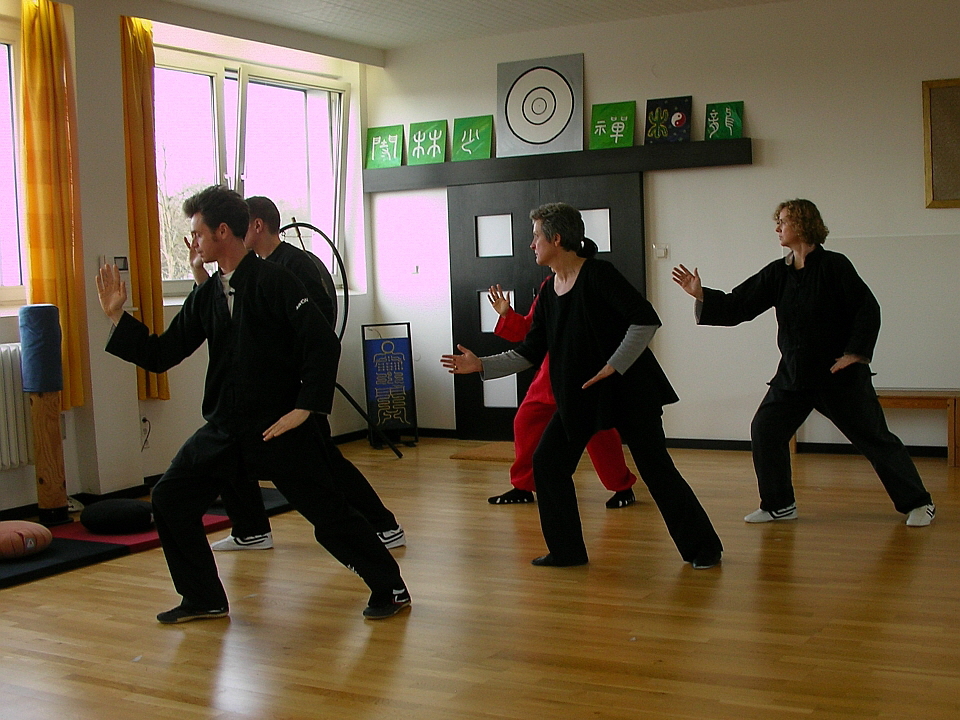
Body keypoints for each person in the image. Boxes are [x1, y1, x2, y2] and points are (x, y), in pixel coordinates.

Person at [96, 186, 411, 623]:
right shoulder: (208, 296)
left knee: (328, 515)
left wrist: (306, 407)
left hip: (279, 427)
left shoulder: (275, 281)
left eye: (199, 233)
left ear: (223, 231)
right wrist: (117, 315)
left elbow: (320, 343)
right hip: (225, 428)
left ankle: (390, 586)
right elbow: (161, 353)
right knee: (170, 497)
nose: (195, 242)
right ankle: (204, 597)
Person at [442, 202, 723, 569]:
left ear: (556, 239)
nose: (532, 245)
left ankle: (704, 548)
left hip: (628, 391)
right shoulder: (548, 291)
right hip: (580, 396)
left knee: (656, 468)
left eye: (536, 237)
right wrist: (482, 364)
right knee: (548, 463)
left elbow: (645, 321)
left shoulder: (599, 275)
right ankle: (567, 551)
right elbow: (530, 350)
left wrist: (613, 365)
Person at [672, 198, 935, 527]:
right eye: (777, 222)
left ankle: (919, 502)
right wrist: (701, 294)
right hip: (793, 377)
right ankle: (779, 504)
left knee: (875, 439)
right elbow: (739, 305)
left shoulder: (835, 266)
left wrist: (855, 353)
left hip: (838, 377)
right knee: (765, 430)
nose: (778, 227)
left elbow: (867, 308)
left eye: (783, 220)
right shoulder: (777, 274)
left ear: (804, 223)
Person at [188, 195, 405, 552]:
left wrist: (306, 387)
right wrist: (200, 272)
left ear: (256, 226)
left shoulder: (294, 265)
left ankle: (383, 524)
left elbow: (318, 326)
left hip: (294, 390)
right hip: (261, 394)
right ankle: (251, 530)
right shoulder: (250, 271)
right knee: (231, 453)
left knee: (326, 464)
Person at [485, 282, 638, 508]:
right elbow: (531, 330)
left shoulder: (594, 282)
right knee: (525, 421)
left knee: (598, 432)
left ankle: (622, 487)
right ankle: (524, 486)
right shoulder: (549, 287)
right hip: (550, 374)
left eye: (538, 243)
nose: (533, 245)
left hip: (587, 372)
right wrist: (507, 314)